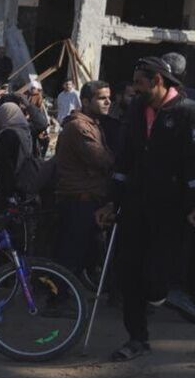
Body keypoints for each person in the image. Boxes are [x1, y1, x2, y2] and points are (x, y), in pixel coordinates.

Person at [103, 58, 195, 361]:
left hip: (170, 208)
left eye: (139, 81)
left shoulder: (186, 112)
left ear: (157, 80)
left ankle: (163, 297)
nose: (134, 87)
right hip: (134, 204)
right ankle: (137, 338)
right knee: (128, 271)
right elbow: (124, 158)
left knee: (158, 276)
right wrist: (111, 200)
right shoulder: (136, 109)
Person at [51, 80, 115, 275]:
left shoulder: (92, 125)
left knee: (81, 256)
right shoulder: (80, 127)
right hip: (79, 200)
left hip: (86, 198)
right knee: (70, 257)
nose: (108, 102)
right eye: (102, 98)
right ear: (86, 101)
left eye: (109, 98)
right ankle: (57, 299)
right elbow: (103, 159)